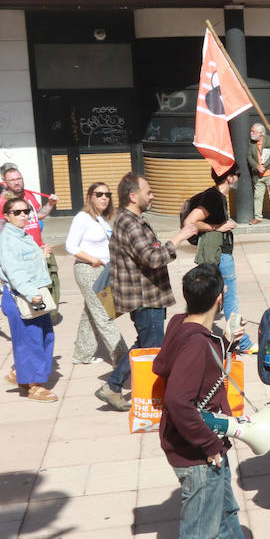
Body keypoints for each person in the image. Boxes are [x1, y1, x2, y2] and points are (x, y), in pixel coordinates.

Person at [155, 264, 270, 539]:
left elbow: (183, 363)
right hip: (197, 451)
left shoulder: (182, 324)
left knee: (224, 512)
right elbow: (180, 401)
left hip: (200, 446)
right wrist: (209, 444)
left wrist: (225, 340)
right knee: (200, 529)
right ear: (220, 298)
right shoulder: (196, 344)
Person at [102, 173, 198, 412]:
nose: (152, 196)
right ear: (133, 196)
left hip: (147, 296)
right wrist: (179, 237)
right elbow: (153, 258)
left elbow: (149, 251)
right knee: (154, 351)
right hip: (144, 298)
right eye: (149, 192)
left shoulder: (133, 220)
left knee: (145, 344)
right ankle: (155, 399)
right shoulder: (130, 223)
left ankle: (113, 386)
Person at [0, 196, 57, 401]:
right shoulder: (8, 240)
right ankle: (33, 386)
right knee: (31, 342)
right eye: (16, 212)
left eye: (26, 211)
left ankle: (20, 373)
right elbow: (15, 271)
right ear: (7, 216)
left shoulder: (23, 235)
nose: (23, 215)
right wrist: (30, 293)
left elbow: (26, 261)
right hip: (22, 296)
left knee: (45, 337)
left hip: (33, 294)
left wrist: (41, 253)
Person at [183, 166, 253, 352]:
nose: (238, 179)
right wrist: (216, 227)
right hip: (220, 255)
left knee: (216, 296)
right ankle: (241, 342)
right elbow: (190, 221)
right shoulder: (214, 197)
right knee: (230, 298)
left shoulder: (216, 196)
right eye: (236, 175)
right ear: (229, 178)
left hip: (218, 253)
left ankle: (206, 337)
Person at [65, 182, 127, 370]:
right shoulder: (82, 218)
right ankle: (123, 358)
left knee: (91, 312)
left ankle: (82, 353)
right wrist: (92, 259)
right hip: (88, 270)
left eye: (107, 194)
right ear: (90, 197)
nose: (104, 198)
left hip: (102, 270)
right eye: (99, 194)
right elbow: (71, 246)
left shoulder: (99, 219)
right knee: (104, 314)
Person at [0, 163, 57, 244]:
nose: (17, 182)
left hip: (36, 247)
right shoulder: (1, 201)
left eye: (19, 179)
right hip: (18, 250)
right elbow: (0, 230)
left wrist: (50, 204)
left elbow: (38, 216)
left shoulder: (29, 195)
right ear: (5, 183)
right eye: (12, 180)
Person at [246, 122, 270, 224]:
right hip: (258, 175)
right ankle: (258, 217)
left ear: (261, 133)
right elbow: (249, 156)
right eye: (251, 131)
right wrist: (257, 166)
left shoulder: (269, 140)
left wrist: (264, 166)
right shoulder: (252, 142)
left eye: (253, 131)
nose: (251, 133)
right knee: (258, 196)